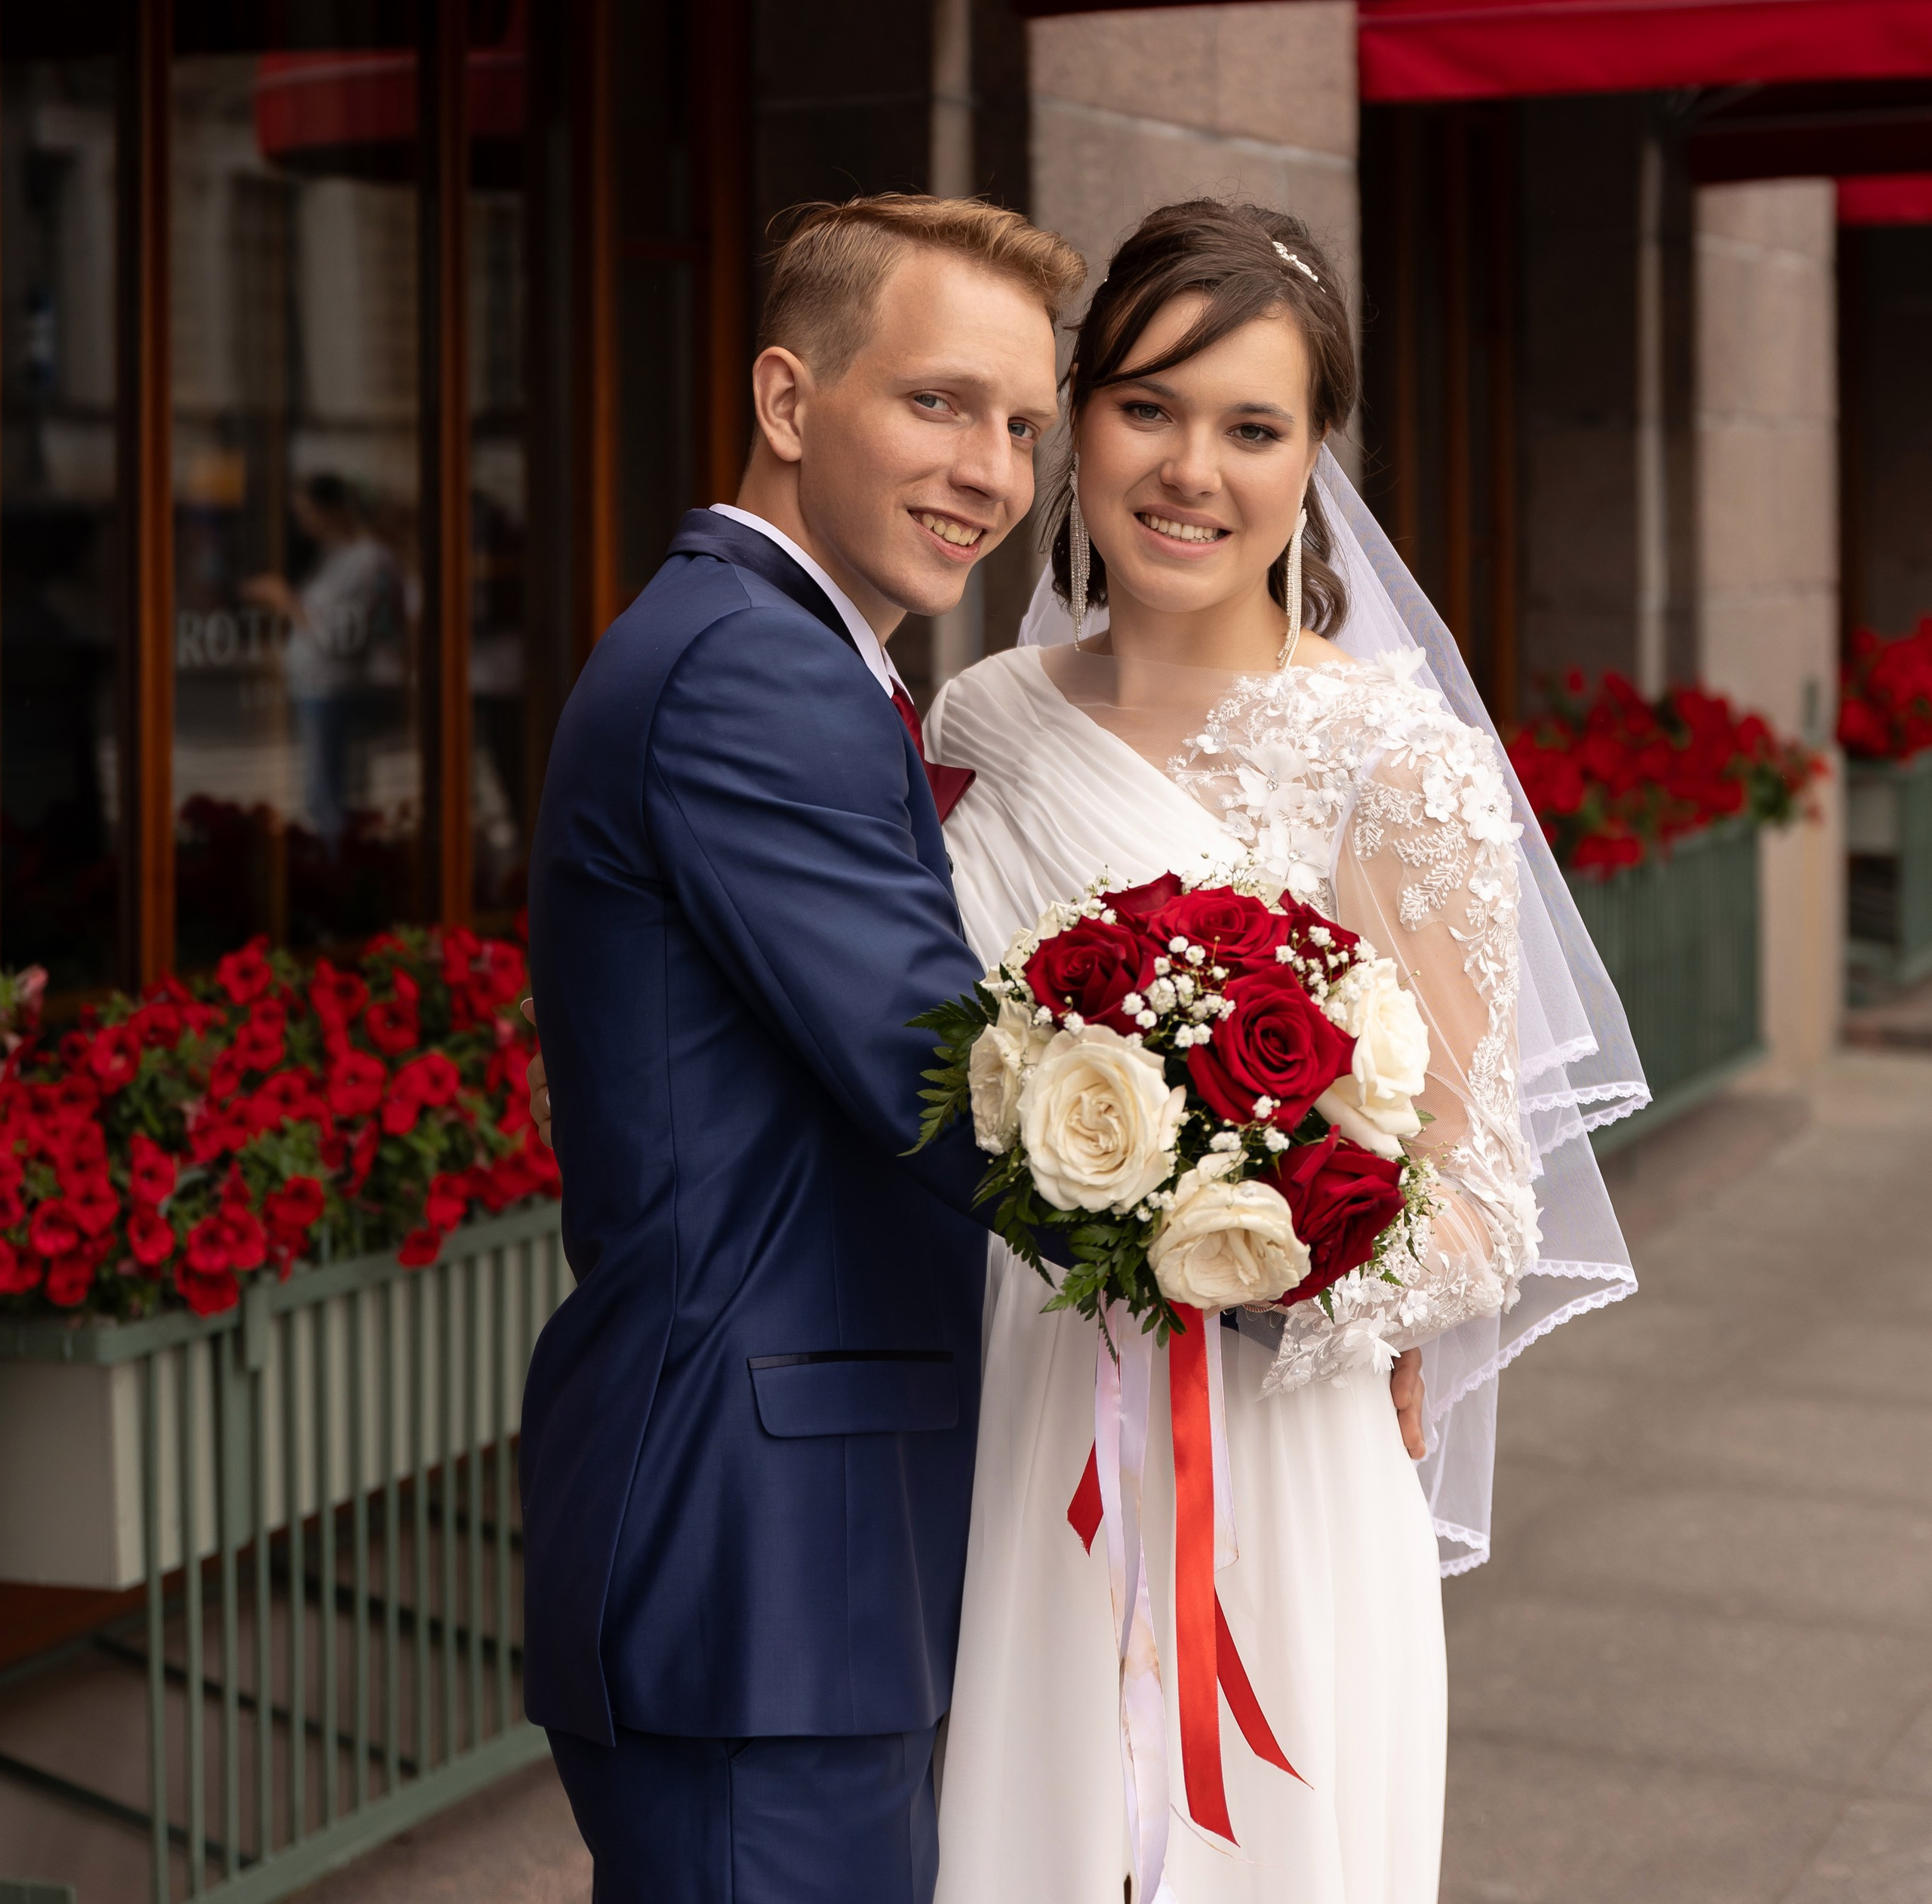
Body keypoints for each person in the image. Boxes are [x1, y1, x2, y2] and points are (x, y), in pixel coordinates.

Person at [924, 198, 1642, 1904]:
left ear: (1311, 456)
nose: (1189, 467)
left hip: (1277, 1456)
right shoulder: (977, 721)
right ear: (1077, 419)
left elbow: (1480, 1206)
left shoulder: (1393, 763)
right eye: (1145, 405)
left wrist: (1236, 1245)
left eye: (1250, 424)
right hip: (1021, 1417)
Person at [518, 193, 1083, 1904]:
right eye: (935, 401)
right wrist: (1292, 1226)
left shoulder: (788, 660)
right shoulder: (747, 673)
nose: (987, 469)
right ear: (784, 402)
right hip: (757, 1546)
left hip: (803, 1531)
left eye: (1019, 424)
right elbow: (951, 1084)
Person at [242, 472, 403, 853]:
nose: (303, 522)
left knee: (331, 799)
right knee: (325, 795)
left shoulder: (369, 560)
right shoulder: (338, 556)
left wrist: (287, 601)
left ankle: (342, 869)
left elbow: (341, 637)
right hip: (320, 690)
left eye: (307, 512)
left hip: (337, 690)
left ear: (330, 511)